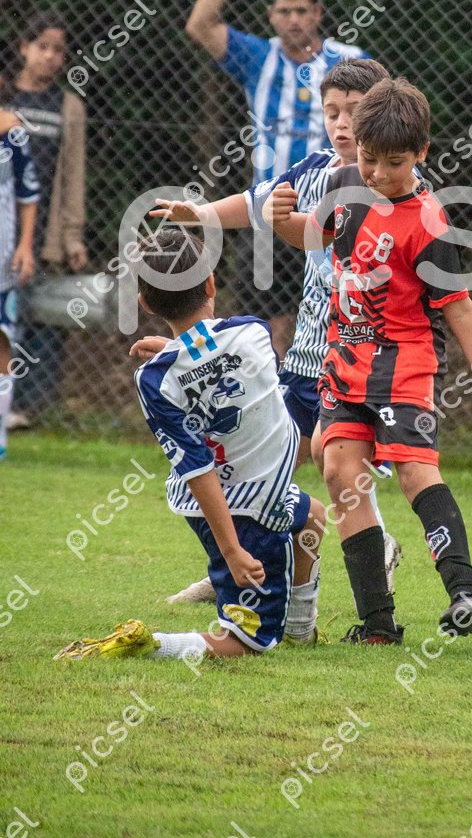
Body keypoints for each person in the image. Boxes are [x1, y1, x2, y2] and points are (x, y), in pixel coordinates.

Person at [268, 76, 472, 644]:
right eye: (369, 158)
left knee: (416, 471)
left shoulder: (428, 222)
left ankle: (466, 594)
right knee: (339, 472)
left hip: (402, 365)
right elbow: (314, 236)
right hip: (344, 362)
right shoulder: (344, 183)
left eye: (393, 163)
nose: (376, 173)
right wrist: (280, 221)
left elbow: (460, 309)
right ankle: (378, 625)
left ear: (421, 153)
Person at [150, 58, 403, 605]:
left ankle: (374, 546)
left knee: (337, 460)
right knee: (250, 453)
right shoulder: (313, 170)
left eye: (354, 112)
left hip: (363, 356)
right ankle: (240, 561)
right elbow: (254, 203)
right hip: (307, 358)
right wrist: (197, 214)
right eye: (332, 112)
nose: (341, 124)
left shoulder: (398, 184)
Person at [54, 229, 326, 662]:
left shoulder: (155, 380)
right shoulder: (253, 332)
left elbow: (198, 429)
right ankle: (149, 646)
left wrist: (174, 352)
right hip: (247, 512)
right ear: (212, 284)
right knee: (247, 643)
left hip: (228, 496)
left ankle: (300, 633)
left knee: (312, 517)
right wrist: (232, 550)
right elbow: (202, 456)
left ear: (145, 304)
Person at [185, 0, 369, 358]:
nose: (293, 20)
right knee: (261, 316)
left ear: (317, 13)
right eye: (284, 11)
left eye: (301, 10)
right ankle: (274, 383)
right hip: (274, 204)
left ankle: (327, 382)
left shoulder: (348, 59)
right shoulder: (258, 56)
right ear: (271, 15)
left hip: (334, 206)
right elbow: (200, 25)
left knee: (332, 309)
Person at [10, 13, 87, 428]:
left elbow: (73, 176)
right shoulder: (5, 98)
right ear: (24, 48)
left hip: (43, 232)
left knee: (36, 314)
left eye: (58, 50)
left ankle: (23, 407)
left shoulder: (68, 106)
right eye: (42, 47)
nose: (50, 57)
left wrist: (72, 237)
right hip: (5, 223)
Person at [0, 115, 39, 459]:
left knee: (3, 341)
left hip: (2, 260)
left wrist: (25, 245)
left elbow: (28, 194)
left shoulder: (12, 133)